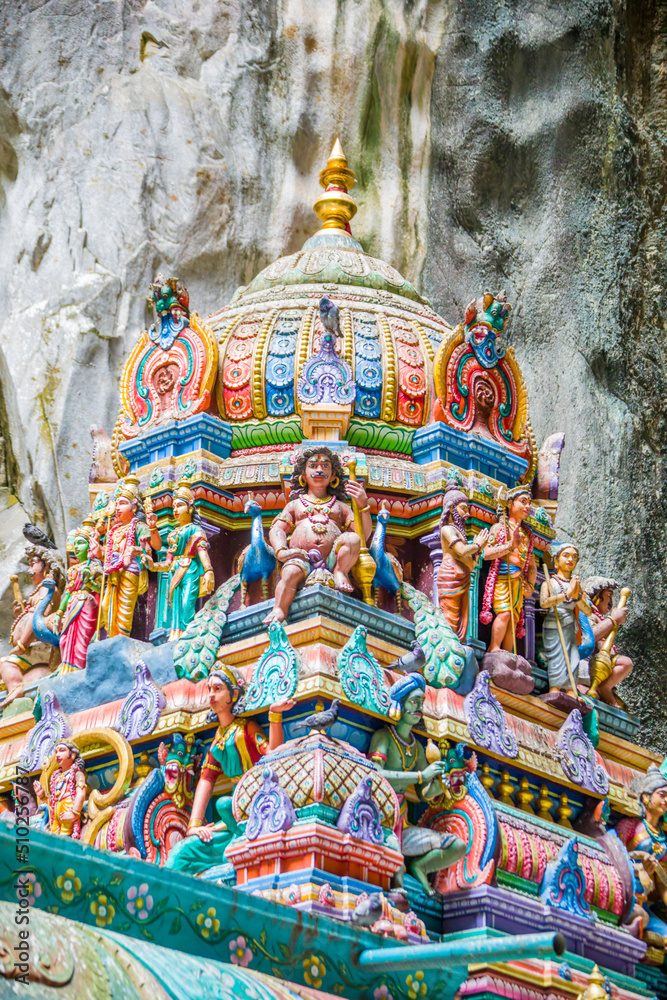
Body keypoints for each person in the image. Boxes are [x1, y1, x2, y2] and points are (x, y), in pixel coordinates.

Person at [166, 666, 293, 873]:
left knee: (225, 809)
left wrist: (274, 715)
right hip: (233, 814)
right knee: (181, 852)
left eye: (218, 689)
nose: (211, 695)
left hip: (258, 805)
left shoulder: (246, 730)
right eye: (209, 689)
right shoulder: (217, 740)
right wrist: (194, 825)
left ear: (233, 694)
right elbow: (206, 779)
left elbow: (273, 754)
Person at [368, 673, 466, 896]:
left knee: (457, 845)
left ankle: (419, 866)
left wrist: (444, 784)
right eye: (413, 701)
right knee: (394, 854)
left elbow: (424, 794)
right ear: (399, 704)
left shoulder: (418, 748)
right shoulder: (384, 737)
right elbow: (376, 773)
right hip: (381, 820)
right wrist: (421, 776)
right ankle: (399, 887)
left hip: (404, 823)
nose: (418, 708)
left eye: (421, 703)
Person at [264, 447, 370, 623]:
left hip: (334, 558)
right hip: (301, 557)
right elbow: (277, 530)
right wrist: (282, 551)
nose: (319, 470)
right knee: (289, 572)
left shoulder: (341, 507)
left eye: (325, 466)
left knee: (352, 539)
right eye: (313, 466)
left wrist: (363, 505)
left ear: (334, 475)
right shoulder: (295, 505)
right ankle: (279, 609)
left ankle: (340, 572)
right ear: (303, 475)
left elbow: (362, 537)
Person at [149, 479, 215, 639]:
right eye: (174, 507)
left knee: (187, 606)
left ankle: (188, 636)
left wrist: (208, 571)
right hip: (174, 570)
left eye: (180, 505)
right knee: (175, 607)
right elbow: (168, 562)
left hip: (190, 569)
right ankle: (176, 635)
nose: (175, 510)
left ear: (190, 508)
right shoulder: (172, 534)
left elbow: (202, 552)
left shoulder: (196, 530)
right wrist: (154, 565)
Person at [99, 476, 162, 637]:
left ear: (134, 507)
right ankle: (111, 637)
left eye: (123, 503)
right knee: (106, 606)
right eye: (117, 504)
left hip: (130, 571)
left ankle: (122, 639)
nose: (118, 508)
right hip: (113, 572)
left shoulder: (138, 526)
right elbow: (106, 554)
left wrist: (152, 527)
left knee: (125, 610)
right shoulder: (113, 531)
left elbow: (155, 547)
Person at [0, 549, 63, 707]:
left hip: (42, 645)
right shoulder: (39, 591)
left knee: (7, 664)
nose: (29, 571)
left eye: (33, 564)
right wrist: (20, 616)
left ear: (46, 565)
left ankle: (16, 689)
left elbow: (38, 619)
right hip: (31, 646)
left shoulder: (48, 590)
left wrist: (21, 646)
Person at [481, 487, 537, 652]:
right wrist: (508, 546)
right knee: (504, 614)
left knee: (513, 618)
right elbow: (486, 553)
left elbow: (532, 566)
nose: (527, 507)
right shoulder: (499, 529)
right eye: (523, 502)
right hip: (503, 576)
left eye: (529, 503)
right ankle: (494, 647)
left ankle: (507, 652)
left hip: (519, 580)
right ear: (510, 504)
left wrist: (531, 586)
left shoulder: (527, 536)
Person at [616, 765, 667, 942]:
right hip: (623, 895)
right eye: (662, 795)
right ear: (646, 797)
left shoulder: (662, 838)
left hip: (644, 901)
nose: (666, 800)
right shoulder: (631, 826)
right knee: (641, 919)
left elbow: (662, 880)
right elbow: (615, 856)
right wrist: (639, 868)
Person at [437, 482, 489, 640]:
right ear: (452, 509)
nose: (467, 515)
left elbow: (471, 565)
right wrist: (478, 544)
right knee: (449, 619)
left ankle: (457, 644)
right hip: (450, 577)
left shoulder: (461, 534)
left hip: (462, 578)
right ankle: (449, 645)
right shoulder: (448, 530)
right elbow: (460, 550)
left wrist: (479, 549)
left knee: (461, 621)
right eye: (463, 509)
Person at [539, 543, 593, 695]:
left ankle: (571, 688)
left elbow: (587, 611)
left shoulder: (576, 586)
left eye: (574, 557)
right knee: (557, 656)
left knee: (572, 656)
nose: (570, 559)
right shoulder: (549, 582)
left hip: (570, 624)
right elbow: (544, 603)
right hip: (554, 622)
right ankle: (555, 687)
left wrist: (576, 597)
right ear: (556, 561)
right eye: (566, 555)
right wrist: (566, 595)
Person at [55, 522, 103, 672]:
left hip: (86, 604)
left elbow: (102, 589)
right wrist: (59, 613)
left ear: (90, 546)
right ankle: (68, 669)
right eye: (75, 544)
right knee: (64, 640)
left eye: (81, 543)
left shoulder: (95, 565)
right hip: (72, 604)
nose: (76, 547)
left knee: (82, 640)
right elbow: (68, 592)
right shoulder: (73, 570)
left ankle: (80, 670)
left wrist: (89, 581)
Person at [580, 576, 633, 709]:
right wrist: (613, 619)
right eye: (608, 595)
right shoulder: (587, 615)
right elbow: (589, 637)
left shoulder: (600, 618)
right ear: (597, 596)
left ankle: (605, 687)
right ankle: (602, 688)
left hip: (603, 665)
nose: (611, 601)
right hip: (587, 665)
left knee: (626, 664)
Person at [49, 739, 87, 839]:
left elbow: (81, 794)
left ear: (73, 754)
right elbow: (53, 797)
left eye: (62, 750)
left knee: (63, 841)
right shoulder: (56, 776)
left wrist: (74, 813)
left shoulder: (77, 774)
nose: (57, 755)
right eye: (56, 752)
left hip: (68, 809)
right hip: (56, 813)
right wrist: (42, 795)